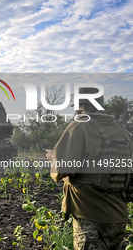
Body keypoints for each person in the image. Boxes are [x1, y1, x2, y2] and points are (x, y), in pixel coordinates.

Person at [46, 87, 133, 250]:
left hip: (90, 218)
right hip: (119, 217)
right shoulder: (124, 132)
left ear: (79, 106)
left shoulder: (79, 127)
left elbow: (60, 171)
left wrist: (52, 157)